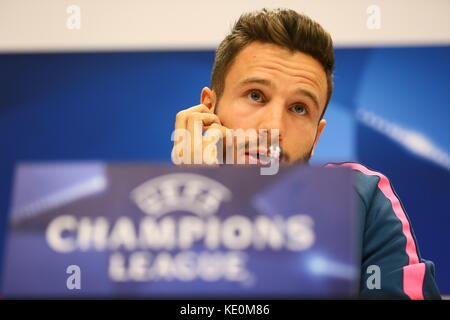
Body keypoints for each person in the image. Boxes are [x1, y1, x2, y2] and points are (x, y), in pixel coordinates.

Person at [171, 8, 441, 299]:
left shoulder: (358, 196)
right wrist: (198, 191)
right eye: (255, 95)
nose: (274, 127)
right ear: (208, 109)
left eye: (299, 108)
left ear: (317, 136)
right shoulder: (140, 210)